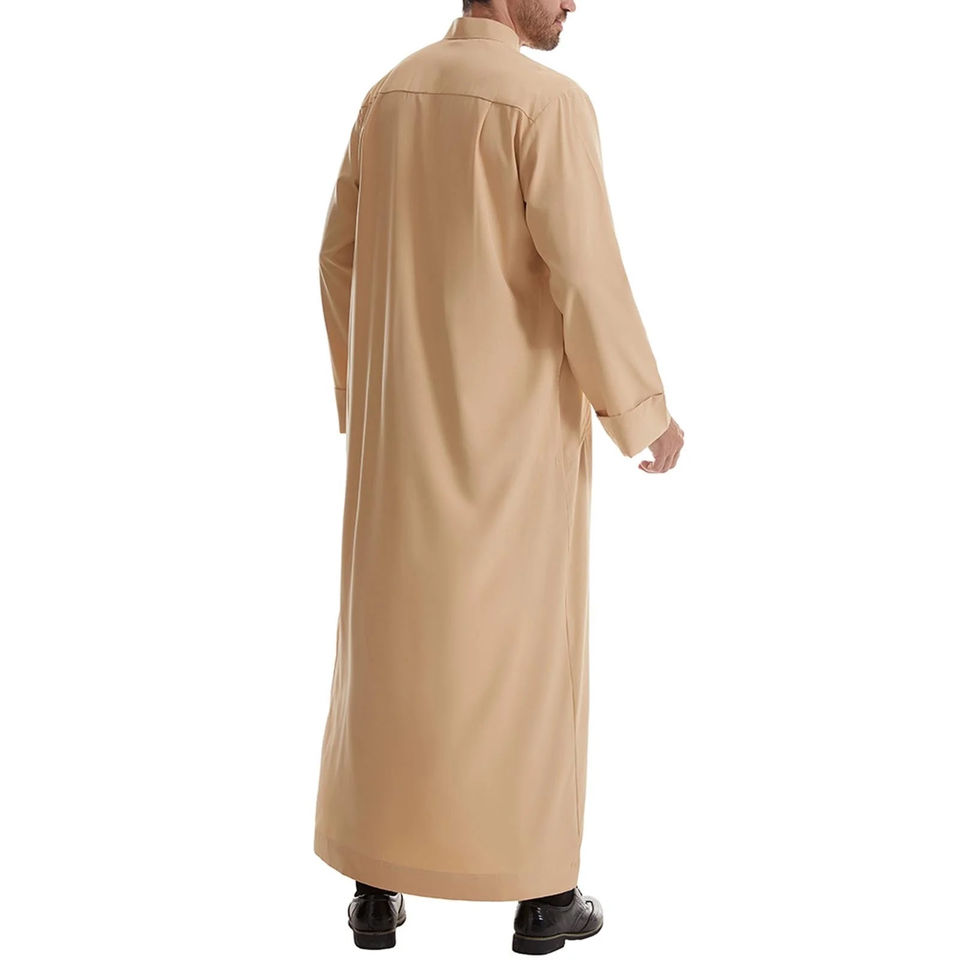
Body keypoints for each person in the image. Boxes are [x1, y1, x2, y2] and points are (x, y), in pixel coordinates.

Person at [314, 0, 685, 952]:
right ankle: (543, 896)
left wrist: (365, 393)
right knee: (521, 660)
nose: (574, 3)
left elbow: (336, 256)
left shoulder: (388, 96)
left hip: (397, 443)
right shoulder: (545, 104)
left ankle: (374, 884)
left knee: (393, 653)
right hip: (511, 441)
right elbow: (585, 271)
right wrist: (640, 411)